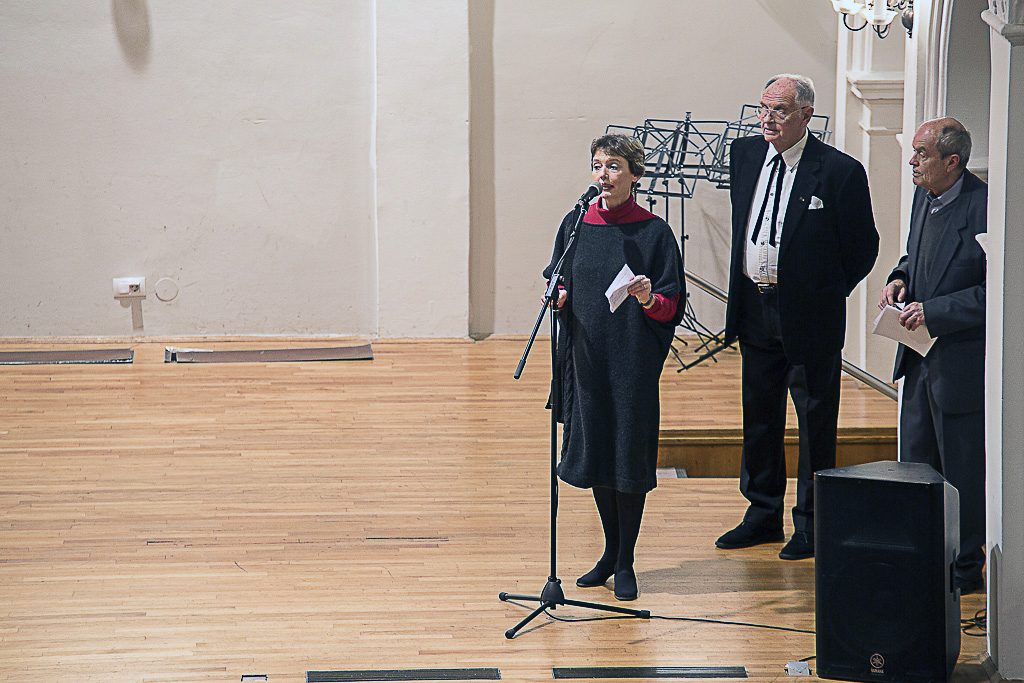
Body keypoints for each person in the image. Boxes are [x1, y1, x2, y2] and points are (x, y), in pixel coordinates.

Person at [716, 74, 879, 560]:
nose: (767, 119)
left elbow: (863, 247)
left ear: (806, 115)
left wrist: (824, 294)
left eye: (780, 110)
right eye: (763, 108)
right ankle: (762, 513)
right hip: (755, 307)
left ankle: (810, 522)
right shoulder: (744, 154)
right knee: (759, 417)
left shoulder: (840, 171)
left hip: (810, 317)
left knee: (814, 421)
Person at [543, 134, 684, 600]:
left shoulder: (654, 232)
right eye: (598, 165)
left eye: (614, 166)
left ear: (635, 175)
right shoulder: (576, 223)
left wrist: (648, 298)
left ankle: (626, 561)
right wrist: (559, 296)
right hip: (586, 357)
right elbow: (559, 279)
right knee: (598, 455)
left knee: (627, 456)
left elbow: (671, 304)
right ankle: (609, 552)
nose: (603, 174)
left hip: (631, 362)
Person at [878, 117, 987, 594]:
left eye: (922, 154)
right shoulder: (926, 197)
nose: (912, 161)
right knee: (916, 464)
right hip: (918, 356)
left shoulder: (985, 208)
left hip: (958, 363)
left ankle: (965, 567)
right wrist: (899, 278)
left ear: (952, 161)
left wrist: (935, 311)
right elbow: (914, 257)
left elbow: (994, 292)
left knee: (960, 470)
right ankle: (922, 559)